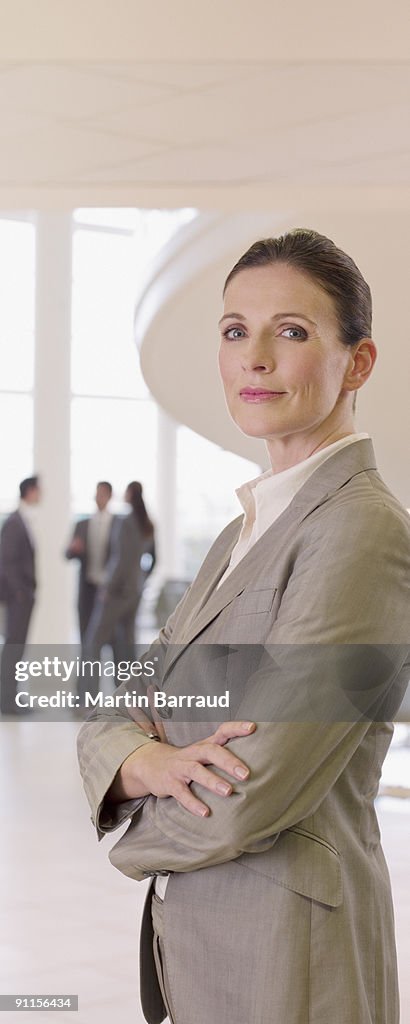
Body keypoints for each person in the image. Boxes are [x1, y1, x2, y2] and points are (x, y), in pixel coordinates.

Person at [78, 230, 410, 1024]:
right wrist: (144, 754)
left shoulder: (360, 532)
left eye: (290, 332)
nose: (253, 357)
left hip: (288, 956)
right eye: (235, 331)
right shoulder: (242, 532)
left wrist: (131, 827)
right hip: (205, 943)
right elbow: (117, 706)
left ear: (357, 363)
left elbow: (253, 791)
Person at [82, 481, 155, 695]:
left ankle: (87, 698)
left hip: (117, 591)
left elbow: (119, 559)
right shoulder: (148, 523)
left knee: (93, 642)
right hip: (135, 591)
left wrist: (107, 587)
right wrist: (141, 579)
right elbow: (153, 559)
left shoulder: (125, 522)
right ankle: (129, 698)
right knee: (127, 645)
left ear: (129, 494)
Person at [0, 476, 41, 714]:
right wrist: (19, 592)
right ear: (30, 491)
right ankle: (6, 699)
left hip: (23, 596)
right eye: (39, 491)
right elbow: (6, 561)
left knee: (17, 647)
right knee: (13, 647)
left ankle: (10, 695)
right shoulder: (15, 522)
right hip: (18, 598)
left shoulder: (23, 519)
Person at [65, 481, 117, 641]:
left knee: (109, 636)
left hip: (108, 588)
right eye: (96, 494)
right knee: (85, 634)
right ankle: (88, 666)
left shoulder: (119, 524)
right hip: (87, 587)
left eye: (102, 494)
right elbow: (67, 554)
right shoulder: (82, 524)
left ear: (109, 496)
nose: (98, 498)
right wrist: (73, 549)